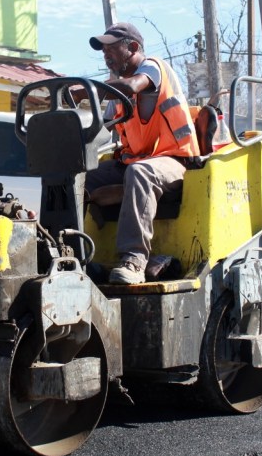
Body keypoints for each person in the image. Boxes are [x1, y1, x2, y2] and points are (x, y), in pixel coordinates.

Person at [84, 22, 199, 285]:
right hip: (133, 163)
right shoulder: (115, 90)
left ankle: (134, 260)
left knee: (140, 172)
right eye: (103, 50)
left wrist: (87, 90)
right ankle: (71, 254)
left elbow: (134, 85)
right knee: (79, 179)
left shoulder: (153, 68)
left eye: (111, 48)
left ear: (133, 47)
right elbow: (103, 128)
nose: (105, 55)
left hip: (176, 160)